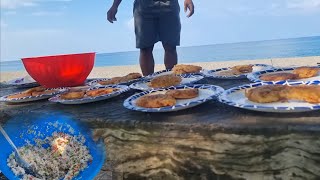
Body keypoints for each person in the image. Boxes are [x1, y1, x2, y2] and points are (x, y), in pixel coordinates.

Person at [107, 0, 195, 76]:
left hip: (170, 5)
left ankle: (172, 80)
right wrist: (115, 5)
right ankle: (148, 83)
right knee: (145, 48)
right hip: (143, 7)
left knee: (170, 46)